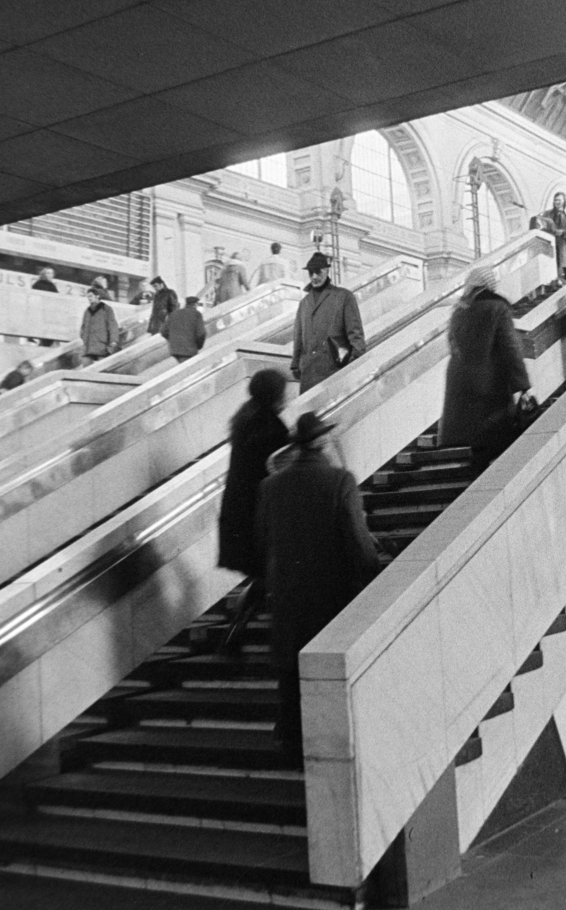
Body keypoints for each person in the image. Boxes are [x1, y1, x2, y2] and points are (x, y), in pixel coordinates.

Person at [256, 411, 380, 766]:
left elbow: (263, 541)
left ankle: (291, 745)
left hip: (287, 594)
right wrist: (373, 575)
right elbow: (358, 541)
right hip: (331, 593)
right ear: (323, 443)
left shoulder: (271, 486)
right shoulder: (340, 481)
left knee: (291, 672)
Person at [217, 368, 291, 653]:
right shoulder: (271, 427)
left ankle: (235, 633)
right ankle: (237, 634)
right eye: (283, 390)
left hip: (239, 514)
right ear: (275, 394)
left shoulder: (245, 419)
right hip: (257, 517)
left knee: (264, 575)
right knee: (269, 574)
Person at [438, 265, 531, 471]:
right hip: (491, 385)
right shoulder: (497, 308)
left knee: (480, 442)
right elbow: (510, 347)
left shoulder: (459, 311)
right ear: (489, 284)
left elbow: (453, 344)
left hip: (462, 386)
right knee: (503, 438)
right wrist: (522, 385)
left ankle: (478, 476)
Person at [292, 252, 366, 392]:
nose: (314, 276)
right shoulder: (304, 303)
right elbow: (298, 336)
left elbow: (356, 334)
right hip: (309, 373)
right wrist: (296, 363)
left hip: (335, 370)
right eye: (311, 272)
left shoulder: (343, 296)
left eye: (318, 272)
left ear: (326, 271)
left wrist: (354, 364)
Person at [530, 192, 566, 278]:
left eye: (559, 200)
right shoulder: (547, 213)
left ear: (564, 201)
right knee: (550, 264)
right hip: (549, 243)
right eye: (555, 200)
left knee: (562, 264)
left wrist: (563, 232)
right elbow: (541, 224)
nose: (557, 202)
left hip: (563, 244)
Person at [78, 287, 119, 366]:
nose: (89, 298)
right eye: (88, 296)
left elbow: (112, 325)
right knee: (86, 365)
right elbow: (83, 326)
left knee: (102, 366)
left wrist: (113, 340)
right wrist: (84, 337)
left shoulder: (106, 309)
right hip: (88, 345)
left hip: (102, 344)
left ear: (97, 296)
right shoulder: (87, 311)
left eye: (90, 296)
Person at [164, 295, 206, 363]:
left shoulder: (174, 313)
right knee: (189, 369)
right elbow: (201, 333)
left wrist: (173, 339)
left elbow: (164, 331)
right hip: (189, 349)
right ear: (195, 304)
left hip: (175, 349)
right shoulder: (196, 314)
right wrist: (199, 346)